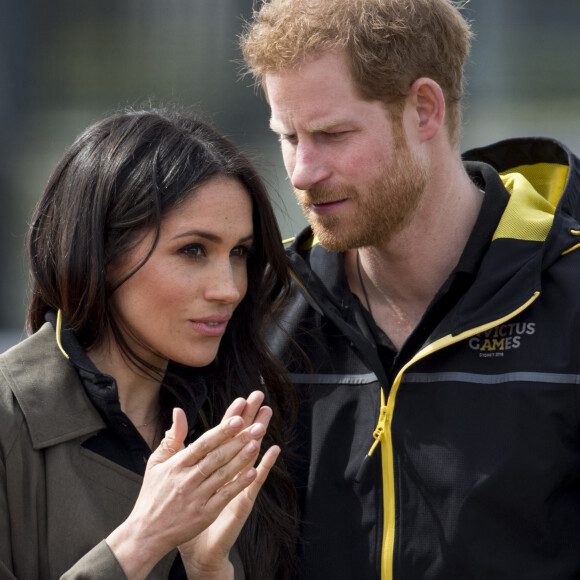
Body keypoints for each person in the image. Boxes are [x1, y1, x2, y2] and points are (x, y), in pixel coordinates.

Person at [240, 0, 580, 578]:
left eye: (332, 134)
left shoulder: (568, 296)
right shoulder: (262, 313)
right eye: (289, 136)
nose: (301, 172)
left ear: (424, 109)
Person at [0, 109, 298, 579]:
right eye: (193, 250)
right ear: (100, 252)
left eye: (238, 252)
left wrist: (208, 573)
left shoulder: (235, 424)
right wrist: (142, 540)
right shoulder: (10, 421)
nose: (230, 288)